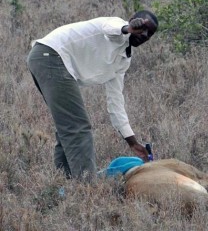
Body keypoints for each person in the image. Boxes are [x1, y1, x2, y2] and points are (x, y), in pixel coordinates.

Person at [27, 10, 158, 181]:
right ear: (133, 20)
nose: (144, 35)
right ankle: (86, 187)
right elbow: (112, 29)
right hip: (50, 55)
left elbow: (115, 103)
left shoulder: (123, 60)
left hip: (50, 60)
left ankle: (63, 182)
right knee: (78, 126)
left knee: (67, 125)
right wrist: (128, 28)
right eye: (143, 28)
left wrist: (132, 141)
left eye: (150, 34)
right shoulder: (115, 25)